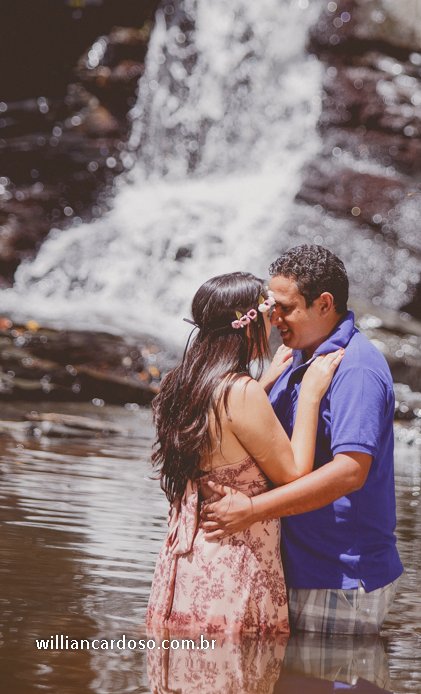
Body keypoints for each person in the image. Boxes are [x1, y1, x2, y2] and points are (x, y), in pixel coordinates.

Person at [202, 246, 403, 635]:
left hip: (337, 574)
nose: (272, 317)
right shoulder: (298, 357)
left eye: (285, 307)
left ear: (324, 304)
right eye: (270, 306)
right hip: (292, 566)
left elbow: (349, 473)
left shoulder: (355, 369)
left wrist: (252, 510)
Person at [145, 271, 343, 636]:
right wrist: (311, 394)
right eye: (268, 313)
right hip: (234, 564)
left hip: (187, 561)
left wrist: (264, 383)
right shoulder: (241, 393)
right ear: (246, 326)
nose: (273, 323)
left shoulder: (181, 383)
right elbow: (295, 473)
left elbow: (222, 428)